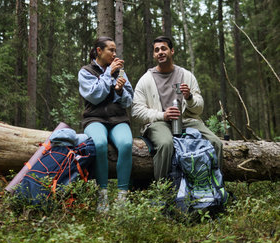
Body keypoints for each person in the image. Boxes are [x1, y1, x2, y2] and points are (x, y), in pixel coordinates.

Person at [131, 35, 223, 180]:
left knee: (216, 143)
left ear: (171, 51)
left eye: (163, 48)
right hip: (158, 123)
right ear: (154, 55)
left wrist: (189, 97)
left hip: (187, 121)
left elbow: (199, 109)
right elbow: (136, 111)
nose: (160, 52)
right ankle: (162, 191)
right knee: (166, 144)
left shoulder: (186, 76)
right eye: (156, 50)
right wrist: (163, 115)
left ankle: (216, 188)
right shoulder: (146, 80)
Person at [78, 36, 133, 212]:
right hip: (94, 119)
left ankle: (122, 197)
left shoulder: (120, 71)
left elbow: (128, 101)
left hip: (118, 119)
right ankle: (102, 195)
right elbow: (94, 96)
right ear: (99, 51)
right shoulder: (86, 71)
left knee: (126, 144)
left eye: (115, 50)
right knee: (99, 144)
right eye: (111, 50)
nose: (114, 54)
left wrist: (119, 90)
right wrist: (109, 74)